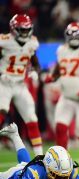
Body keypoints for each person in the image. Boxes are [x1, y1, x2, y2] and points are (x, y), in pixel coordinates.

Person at [0, 123, 79, 179]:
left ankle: (14, 135)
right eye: (58, 176)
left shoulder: (65, 171)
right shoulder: (36, 171)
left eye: (65, 176)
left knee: (24, 163)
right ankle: (14, 135)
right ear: (47, 167)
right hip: (12, 178)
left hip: (26, 171)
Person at [0, 14, 43, 155]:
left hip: (20, 84)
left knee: (31, 117)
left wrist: (34, 71)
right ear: (13, 29)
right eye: (22, 30)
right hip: (4, 82)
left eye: (27, 30)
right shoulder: (4, 41)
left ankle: (39, 155)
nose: (25, 33)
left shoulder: (33, 42)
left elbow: (35, 63)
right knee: (2, 110)